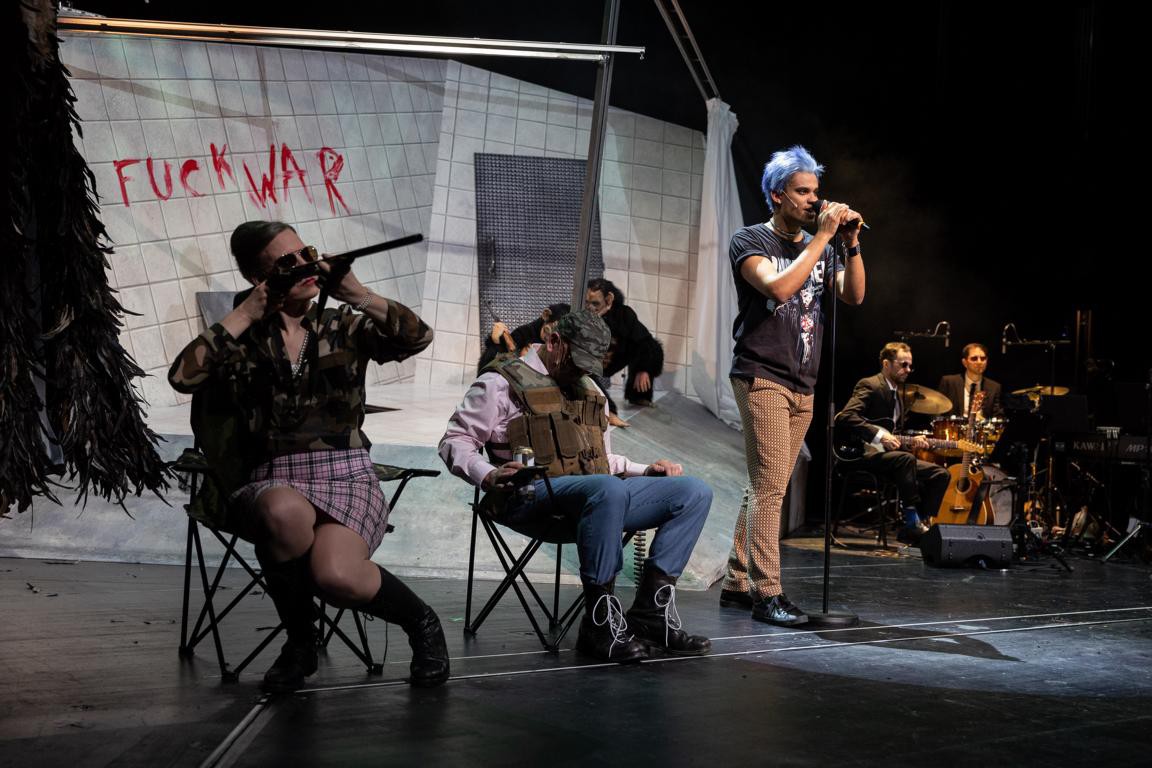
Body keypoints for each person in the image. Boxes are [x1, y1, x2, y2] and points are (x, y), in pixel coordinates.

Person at [169, 220, 449, 692]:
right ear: (260, 278)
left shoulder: (342, 324)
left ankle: (422, 622)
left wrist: (359, 294)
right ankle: (301, 642)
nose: (305, 265)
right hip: (271, 477)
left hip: (347, 472)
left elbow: (416, 338)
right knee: (284, 511)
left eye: (307, 253)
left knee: (336, 575)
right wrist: (244, 315)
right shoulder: (243, 333)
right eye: (287, 262)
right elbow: (183, 377)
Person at [439, 309, 712, 662]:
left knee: (692, 492)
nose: (582, 371)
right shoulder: (500, 383)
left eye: (590, 364)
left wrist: (646, 471)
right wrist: (487, 474)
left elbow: (601, 461)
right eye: (578, 360)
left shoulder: (589, 387)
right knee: (606, 489)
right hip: (528, 497)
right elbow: (454, 441)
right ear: (554, 341)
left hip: (595, 498)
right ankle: (598, 625)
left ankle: (650, 614)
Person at [720, 144, 866, 626]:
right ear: (777, 195)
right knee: (769, 490)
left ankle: (737, 583)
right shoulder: (749, 240)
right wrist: (821, 238)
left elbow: (854, 295)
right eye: (803, 192)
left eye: (816, 192)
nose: (813, 200)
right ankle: (768, 594)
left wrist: (850, 243)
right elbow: (780, 288)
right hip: (762, 375)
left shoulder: (818, 244)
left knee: (770, 484)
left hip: (804, 382)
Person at [835, 343, 951, 544]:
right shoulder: (870, 385)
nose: (907, 370)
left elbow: (892, 434)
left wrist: (910, 441)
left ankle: (921, 524)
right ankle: (912, 520)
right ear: (886, 364)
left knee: (941, 474)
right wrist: (880, 436)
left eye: (910, 365)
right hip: (860, 454)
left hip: (885, 458)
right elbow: (846, 417)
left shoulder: (898, 395)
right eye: (903, 364)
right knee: (905, 460)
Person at [584, 278, 664, 413]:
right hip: (589, 363)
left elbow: (647, 343)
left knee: (648, 349)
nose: (589, 308)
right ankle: (609, 409)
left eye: (595, 303)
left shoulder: (624, 315)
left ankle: (638, 395)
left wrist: (643, 368)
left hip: (614, 357)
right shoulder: (580, 314)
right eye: (587, 303)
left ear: (609, 300)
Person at [476, 303, 570, 372]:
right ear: (545, 315)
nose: (548, 339)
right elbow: (486, 369)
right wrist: (495, 343)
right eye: (547, 331)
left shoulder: (563, 349)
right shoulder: (523, 333)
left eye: (554, 339)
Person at [937, 343, 1004, 419]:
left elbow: (998, 416)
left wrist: (985, 422)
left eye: (983, 358)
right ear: (965, 362)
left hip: (980, 429)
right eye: (974, 358)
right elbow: (937, 410)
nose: (979, 362)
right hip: (954, 429)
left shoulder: (994, 387)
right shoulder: (948, 382)